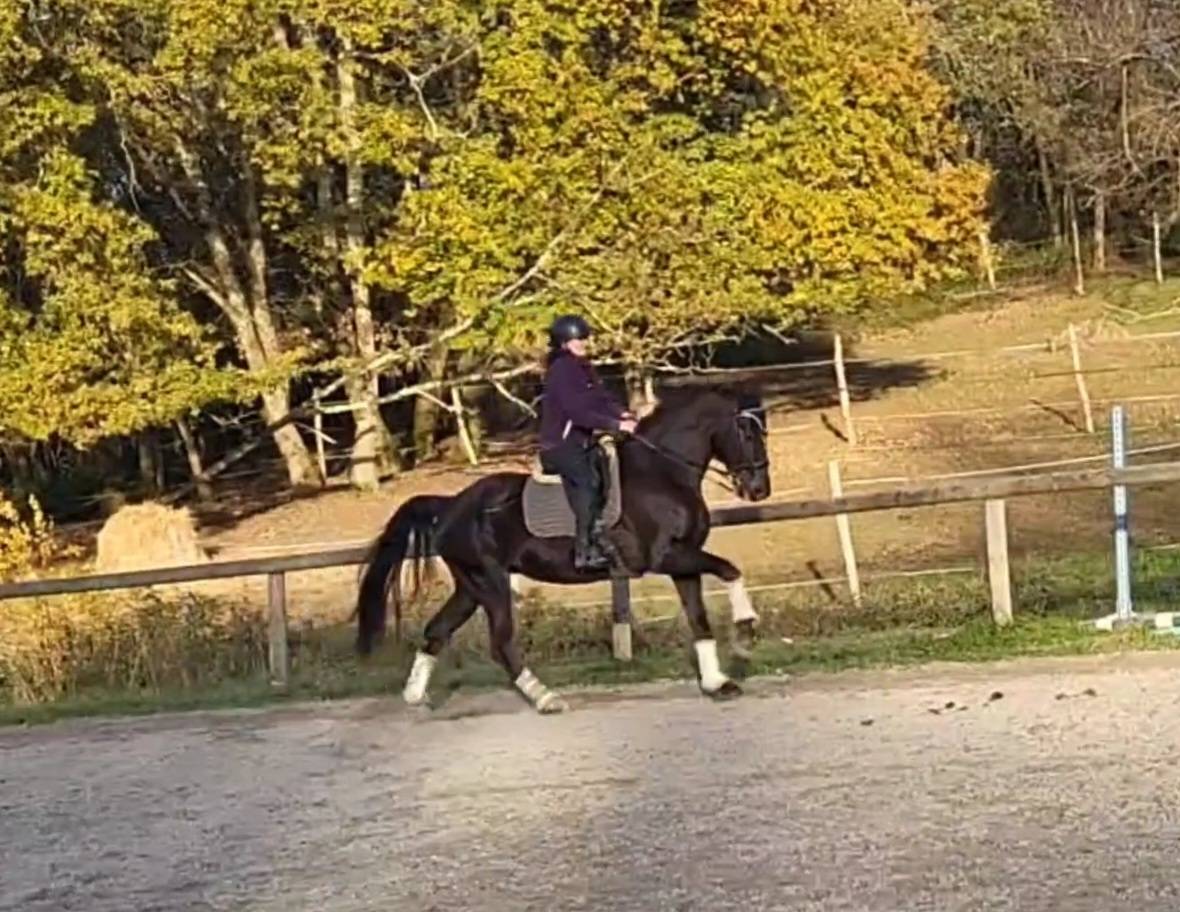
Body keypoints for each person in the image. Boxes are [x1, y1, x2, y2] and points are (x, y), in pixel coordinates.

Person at [539, 315, 638, 570]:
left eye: (585, 338)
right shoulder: (562, 370)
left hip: (581, 442)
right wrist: (616, 425)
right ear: (564, 342)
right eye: (578, 339)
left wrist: (621, 413)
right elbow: (577, 412)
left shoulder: (582, 367)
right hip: (560, 445)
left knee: (607, 472)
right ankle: (585, 552)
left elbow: (600, 398)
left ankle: (602, 534)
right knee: (588, 482)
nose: (584, 343)